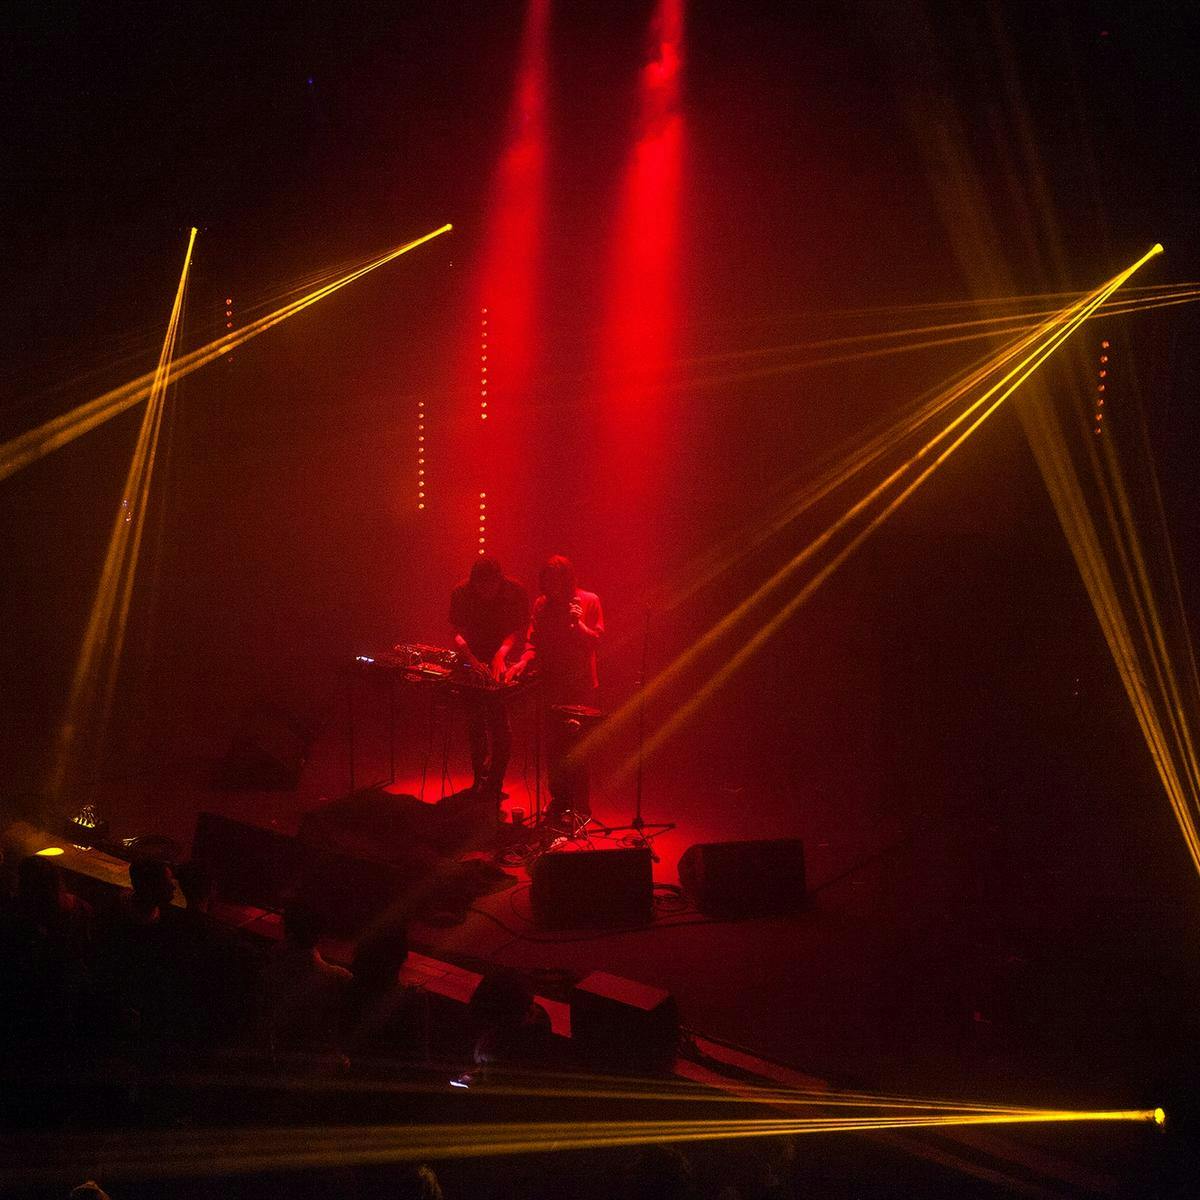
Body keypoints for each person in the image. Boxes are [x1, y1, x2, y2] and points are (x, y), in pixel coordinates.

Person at [507, 555, 604, 819]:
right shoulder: (541, 605)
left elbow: (596, 640)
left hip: (580, 683)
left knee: (577, 746)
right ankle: (559, 801)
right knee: (553, 746)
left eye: (557, 581)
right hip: (551, 682)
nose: (552, 586)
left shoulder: (588, 600)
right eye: (547, 581)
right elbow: (533, 641)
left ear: (568, 579)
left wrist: (579, 623)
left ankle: (580, 807)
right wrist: (522, 662)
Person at [449, 555, 530, 797]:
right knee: (475, 724)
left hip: (501, 658)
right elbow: (456, 632)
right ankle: (479, 778)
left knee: (499, 723)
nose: (486, 591)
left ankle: (495, 780)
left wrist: (502, 653)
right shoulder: (461, 592)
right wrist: (471, 660)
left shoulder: (514, 591)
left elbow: (517, 630)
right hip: (471, 657)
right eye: (480, 586)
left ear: (499, 581)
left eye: (491, 586)